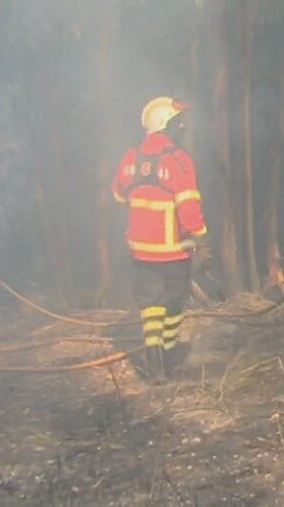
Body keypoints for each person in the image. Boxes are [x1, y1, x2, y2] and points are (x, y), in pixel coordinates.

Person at [112, 96, 208, 381]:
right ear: (166, 124)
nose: (183, 127)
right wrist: (201, 236)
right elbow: (189, 205)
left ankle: (154, 360)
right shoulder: (178, 159)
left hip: (141, 251)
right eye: (179, 122)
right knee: (175, 301)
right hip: (174, 250)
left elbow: (118, 194)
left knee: (150, 304)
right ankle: (168, 354)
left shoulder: (130, 158)